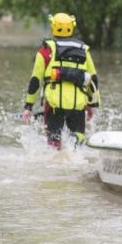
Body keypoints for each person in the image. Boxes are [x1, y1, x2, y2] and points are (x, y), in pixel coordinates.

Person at [22, 13, 99, 149]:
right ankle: (76, 152)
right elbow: (93, 80)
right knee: (78, 142)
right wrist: (91, 105)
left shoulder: (45, 51)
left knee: (53, 144)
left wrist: (28, 107)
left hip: (54, 105)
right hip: (78, 105)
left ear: (53, 28)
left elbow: (35, 80)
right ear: (72, 28)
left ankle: (56, 162)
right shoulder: (84, 51)